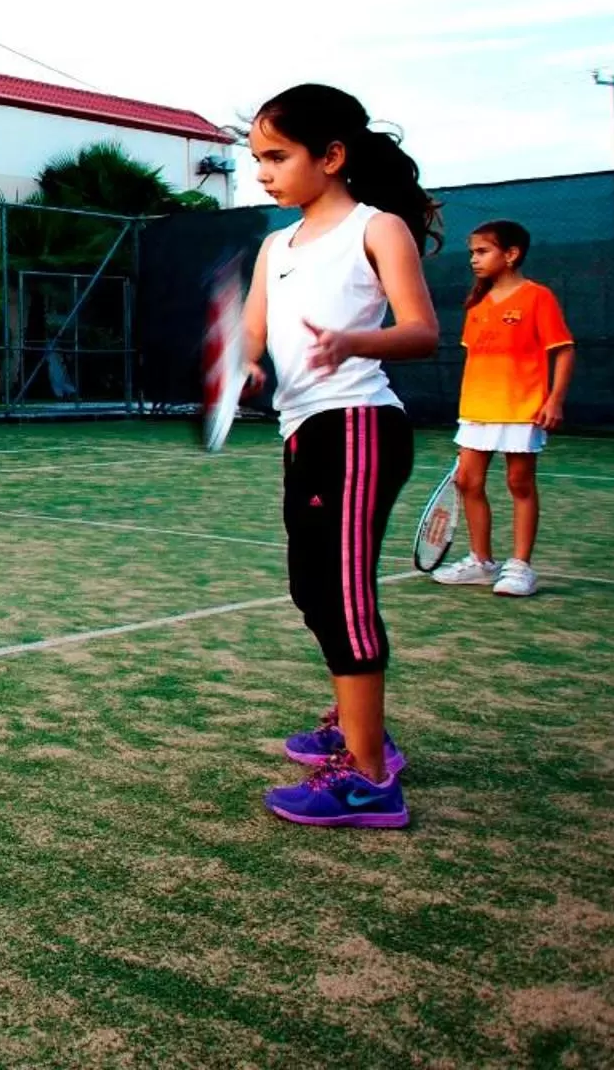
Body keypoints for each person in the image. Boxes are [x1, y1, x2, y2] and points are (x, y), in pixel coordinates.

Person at [241, 85, 440, 828]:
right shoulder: (274, 245)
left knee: (342, 593)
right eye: (256, 157)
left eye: (277, 156)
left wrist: (354, 340)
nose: (263, 172)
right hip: (305, 430)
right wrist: (245, 365)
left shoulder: (377, 228)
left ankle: (368, 775)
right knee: (312, 589)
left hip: (359, 425)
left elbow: (422, 332)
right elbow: (255, 332)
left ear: (331, 156)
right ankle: (357, 723)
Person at [433, 220, 574, 598]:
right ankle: (481, 562)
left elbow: (563, 349)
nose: (474, 260)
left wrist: (554, 399)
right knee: (468, 482)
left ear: (511, 254)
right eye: (472, 253)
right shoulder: (477, 303)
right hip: (477, 408)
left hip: (522, 407)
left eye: (483, 252)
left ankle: (521, 566)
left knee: (519, 483)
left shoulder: (537, 297)